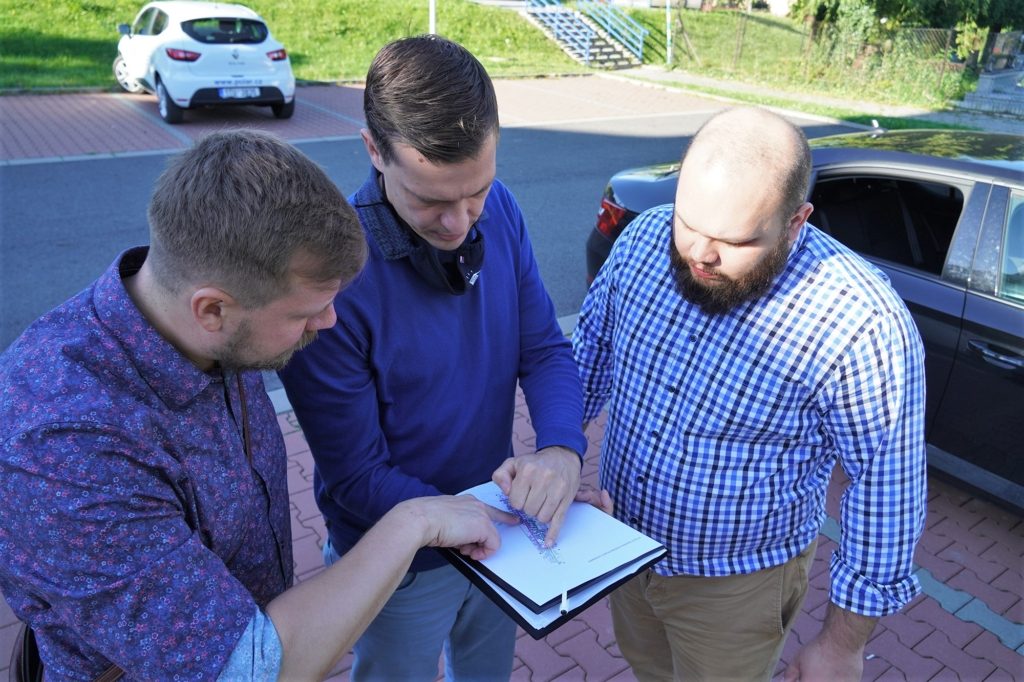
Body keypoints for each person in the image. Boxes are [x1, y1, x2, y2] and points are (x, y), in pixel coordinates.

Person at [0, 130, 517, 681]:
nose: (328, 322)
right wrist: (413, 521)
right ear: (212, 310)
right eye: (304, 314)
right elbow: (248, 669)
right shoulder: (62, 447)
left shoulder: (202, 316)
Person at [572, 107, 927, 681]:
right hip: (622, 551)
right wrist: (557, 453)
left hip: (735, 589)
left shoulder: (861, 321)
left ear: (796, 222)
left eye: (735, 240)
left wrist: (841, 644)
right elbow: (588, 355)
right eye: (688, 222)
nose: (700, 254)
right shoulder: (642, 240)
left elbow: (886, 490)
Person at [278, 35, 593, 681]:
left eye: (476, 191)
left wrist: (562, 449)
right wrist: (483, 517)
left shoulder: (500, 211)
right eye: (429, 201)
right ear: (374, 150)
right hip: (399, 560)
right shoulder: (329, 282)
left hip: (499, 536)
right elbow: (356, 475)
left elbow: (543, 349)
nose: (459, 224)